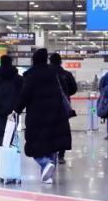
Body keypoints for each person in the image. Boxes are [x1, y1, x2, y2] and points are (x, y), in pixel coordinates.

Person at [14, 48, 71, 184]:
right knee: (52, 144)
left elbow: (24, 95)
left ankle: (45, 163)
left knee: (34, 145)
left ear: (34, 60)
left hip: (37, 115)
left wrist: (16, 110)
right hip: (56, 113)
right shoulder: (54, 73)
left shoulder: (31, 75)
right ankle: (47, 176)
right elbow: (66, 89)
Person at [50, 53, 78, 164]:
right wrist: (65, 95)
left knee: (50, 130)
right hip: (63, 106)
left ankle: (52, 153)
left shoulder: (47, 74)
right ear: (60, 61)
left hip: (49, 106)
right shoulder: (66, 74)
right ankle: (61, 156)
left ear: (50, 61)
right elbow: (74, 89)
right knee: (62, 130)